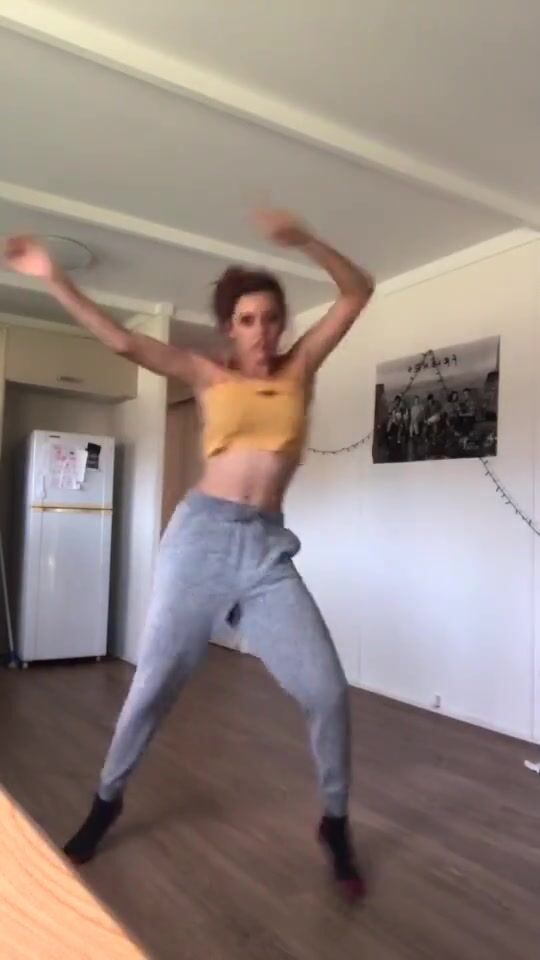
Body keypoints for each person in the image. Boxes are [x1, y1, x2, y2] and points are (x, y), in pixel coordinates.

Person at [4, 210, 374, 901]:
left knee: (327, 690)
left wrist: (307, 241)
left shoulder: (301, 369)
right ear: (229, 328)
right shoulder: (206, 375)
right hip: (200, 540)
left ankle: (334, 820)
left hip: (265, 551)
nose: (261, 331)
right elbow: (121, 340)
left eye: (270, 318)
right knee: (155, 684)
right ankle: (106, 801)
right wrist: (52, 277)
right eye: (247, 320)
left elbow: (357, 292)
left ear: (282, 325)